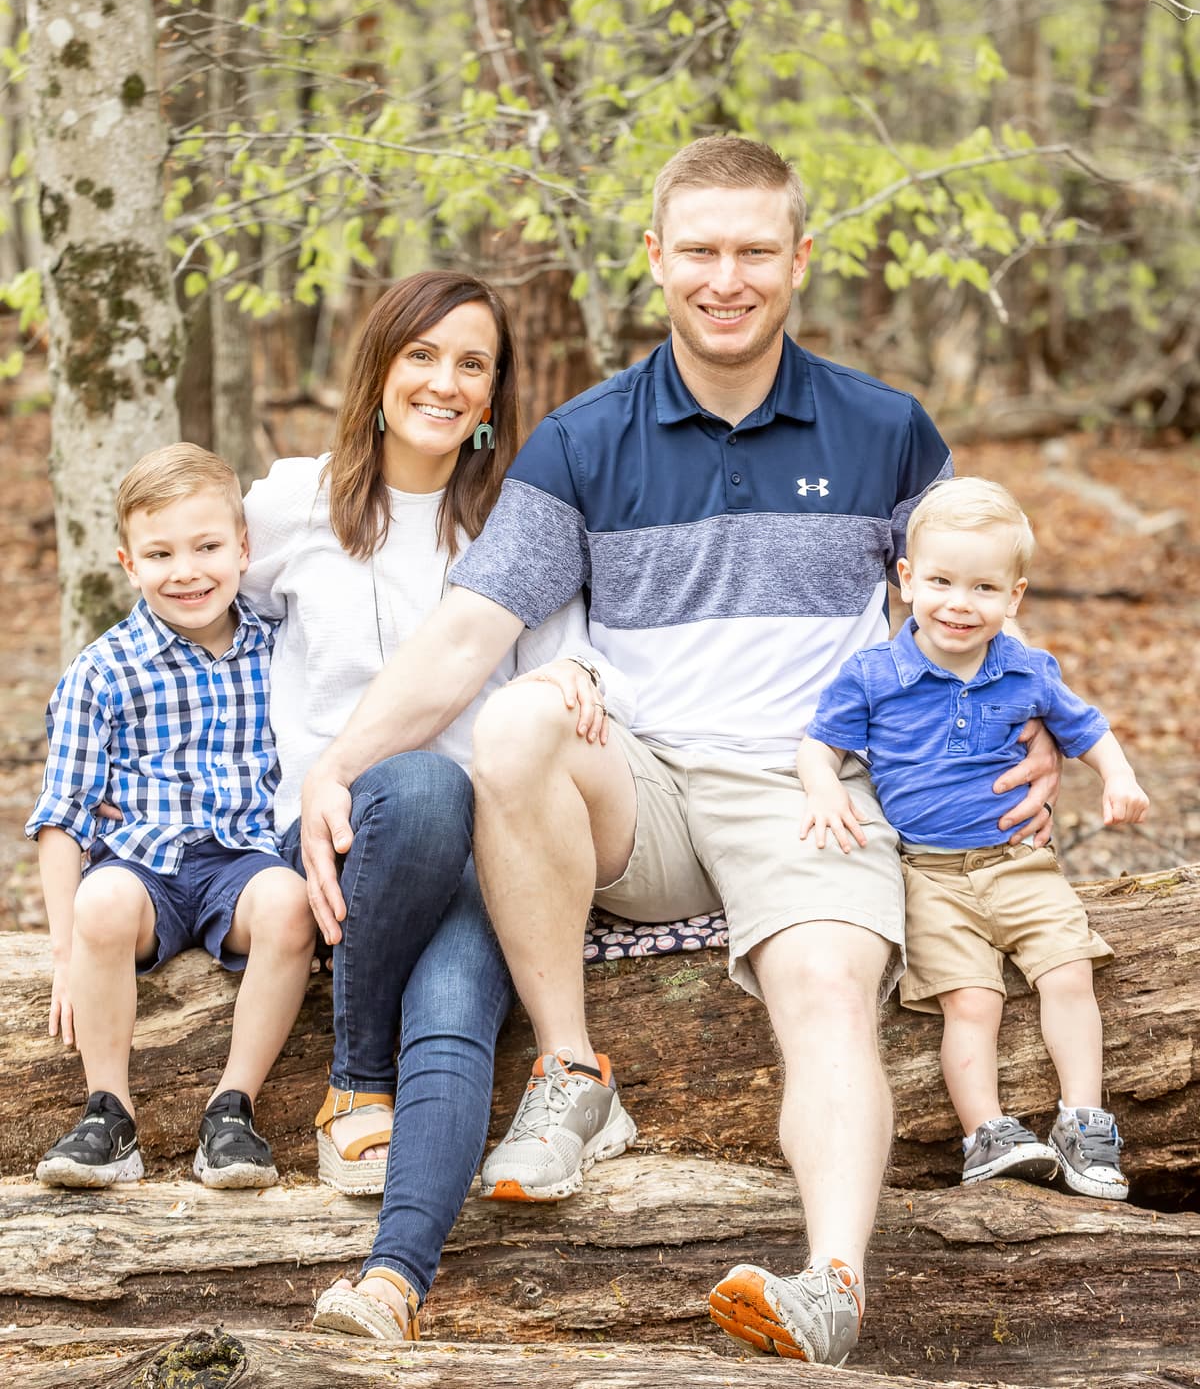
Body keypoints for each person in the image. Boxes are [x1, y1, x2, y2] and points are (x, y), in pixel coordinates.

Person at [299, 137, 1061, 1367]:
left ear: (799, 260)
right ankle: (568, 1069)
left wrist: (1037, 730)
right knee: (515, 715)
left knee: (826, 999)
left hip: (808, 789)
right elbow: (464, 639)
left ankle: (830, 1285)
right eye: (699, 249)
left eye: (756, 250)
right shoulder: (583, 443)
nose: (727, 276)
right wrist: (335, 766)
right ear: (655, 259)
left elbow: (975, 600)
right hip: (640, 792)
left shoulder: (887, 431)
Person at [239, 271, 624, 1342]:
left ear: (496, 391)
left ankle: (391, 1285)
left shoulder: (523, 522)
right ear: (378, 369)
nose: (445, 383)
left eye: (473, 364)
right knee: (416, 781)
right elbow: (189, 610)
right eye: (422, 355)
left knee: (455, 1006)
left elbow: (570, 670)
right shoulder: (287, 504)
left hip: (489, 852)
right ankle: (358, 1078)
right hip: (343, 833)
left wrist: (574, 679)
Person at [796, 477, 1147, 1201]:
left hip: (1021, 863)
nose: (960, 603)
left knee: (1068, 973)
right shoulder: (874, 675)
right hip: (929, 876)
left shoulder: (1026, 668)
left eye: (985, 588)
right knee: (972, 1002)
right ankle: (985, 1133)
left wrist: (1118, 778)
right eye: (942, 582)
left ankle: (1084, 1120)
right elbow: (817, 747)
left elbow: (1087, 728)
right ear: (906, 580)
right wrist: (825, 788)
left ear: (1014, 598)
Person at [27, 443, 315, 1191]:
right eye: (160, 553)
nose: (186, 571)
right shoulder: (104, 671)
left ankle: (232, 1109)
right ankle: (108, 1112)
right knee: (103, 899)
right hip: (142, 866)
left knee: (289, 904)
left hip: (242, 862)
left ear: (244, 549)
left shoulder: (280, 647)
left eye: (208, 547)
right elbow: (64, 818)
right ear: (128, 562)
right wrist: (64, 950)